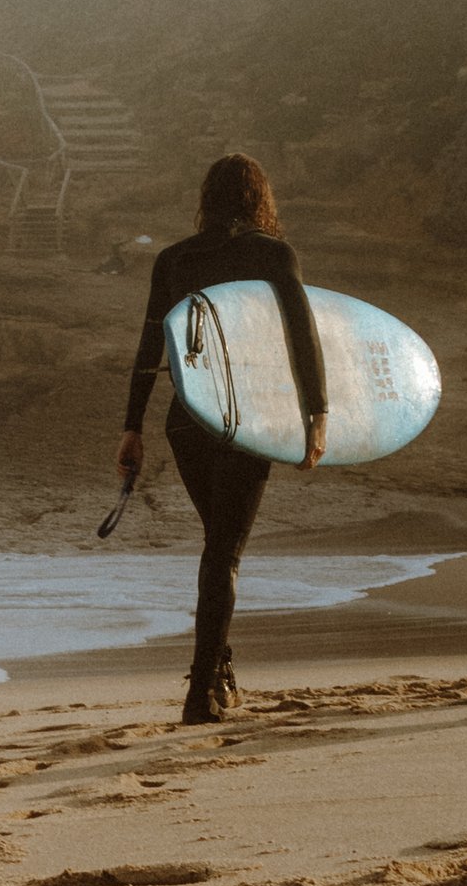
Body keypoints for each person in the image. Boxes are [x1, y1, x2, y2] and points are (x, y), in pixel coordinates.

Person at [117, 152, 326, 725]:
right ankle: (201, 690)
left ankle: (220, 666)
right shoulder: (272, 253)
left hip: (186, 422)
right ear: (260, 197)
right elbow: (303, 338)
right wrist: (317, 416)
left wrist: (132, 427)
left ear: (206, 198)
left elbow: (148, 349)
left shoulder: (173, 260)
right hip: (245, 422)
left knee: (218, 543)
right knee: (224, 553)